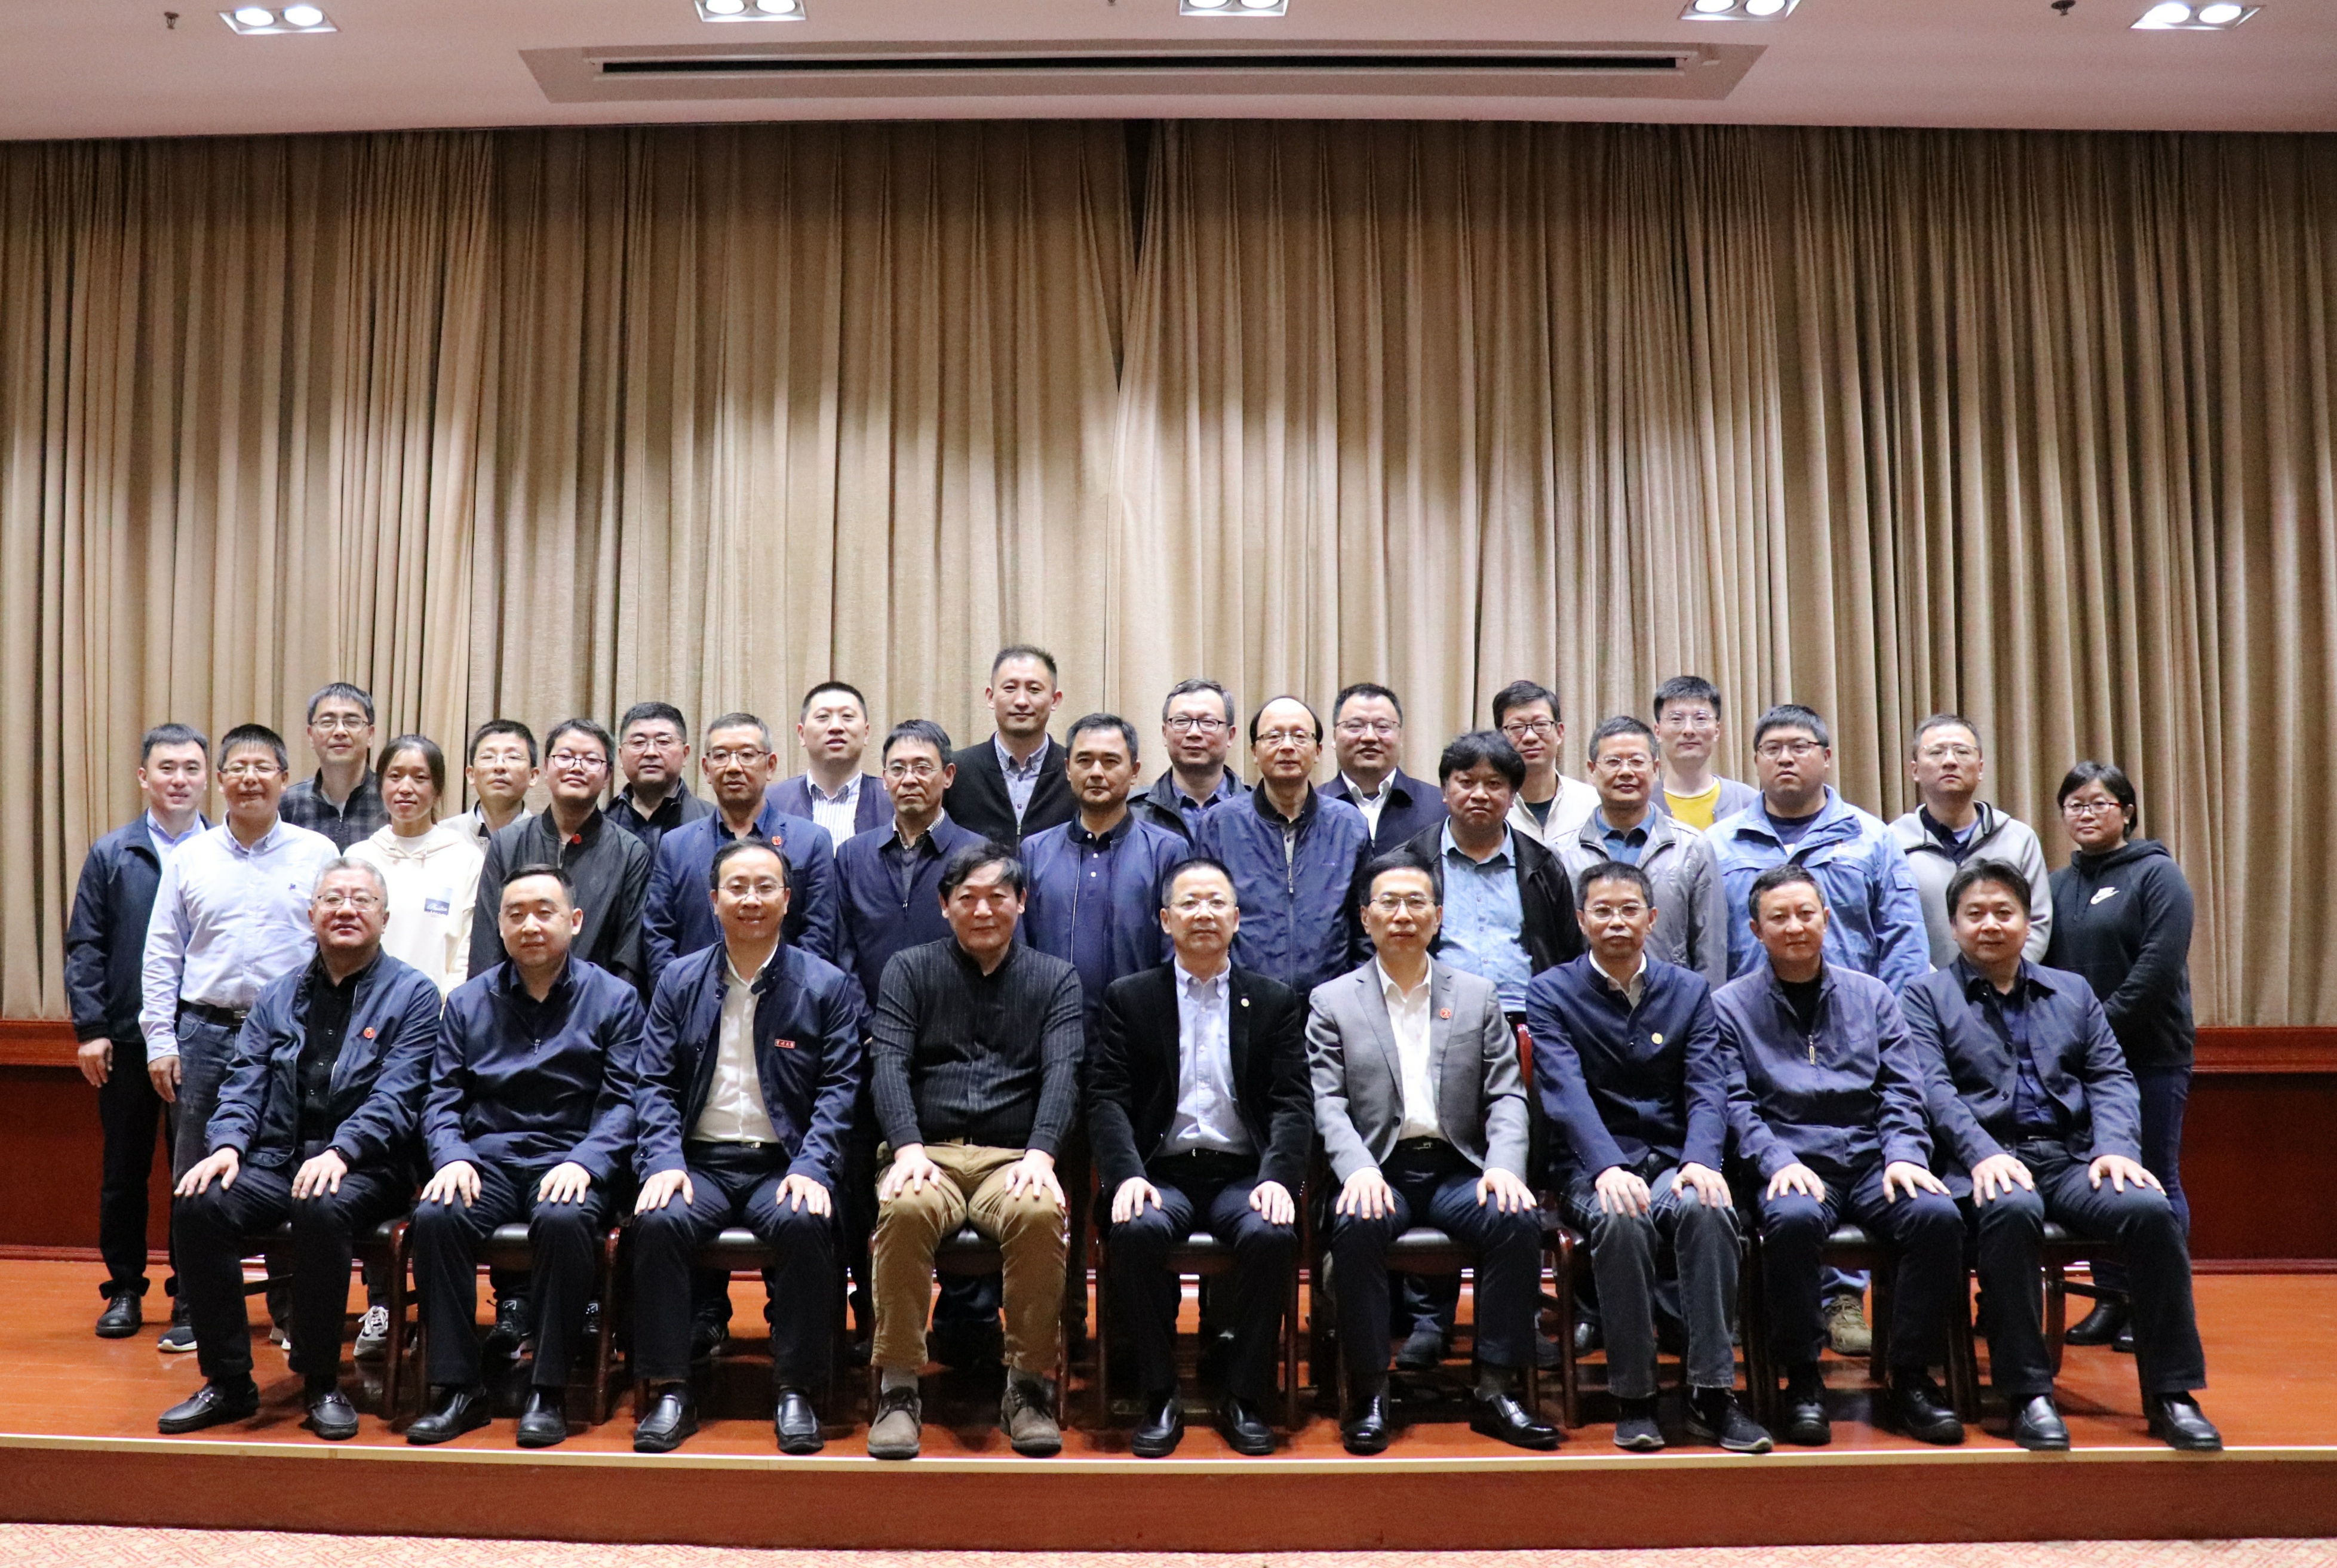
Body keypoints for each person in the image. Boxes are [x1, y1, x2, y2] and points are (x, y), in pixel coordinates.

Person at [1904, 861, 2219, 1452]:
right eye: (1975, 914)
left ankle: (2172, 1394)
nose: (1990, 925)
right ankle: (2028, 1394)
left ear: (2028, 923)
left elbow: (2109, 1076)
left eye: (2004, 912)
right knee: (2011, 1208)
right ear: (1953, 925)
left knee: (2150, 1211)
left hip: (2069, 1159)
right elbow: (1932, 1090)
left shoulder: (2072, 992)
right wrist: (1980, 1153)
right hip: (1981, 1163)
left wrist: (2115, 1148)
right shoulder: (1925, 996)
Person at [157, 859, 440, 1440]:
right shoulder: (277, 995)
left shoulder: (413, 994)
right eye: (332, 898)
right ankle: (229, 1380)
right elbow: (244, 1082)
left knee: (321, 1203)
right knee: (199, 1201)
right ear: (311, 914)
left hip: (368, 1166)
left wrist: (342, 1151)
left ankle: (320, 1380)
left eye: (361, 900)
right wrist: (227, 1145)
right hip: (277, 1160)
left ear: (385, 918)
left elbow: (399, 1096)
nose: (346, 909)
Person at [1307, 848, 1559, 1456]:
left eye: (1416, 902)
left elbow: (1505, 1093)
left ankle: (1495, 1389)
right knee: (1356, 1222)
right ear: (1365, 917)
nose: (1402, 915)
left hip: (1456, 1168)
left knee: (1515, 1219)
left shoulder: (1474, 995)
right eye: (1388, 903)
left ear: (1438, 916)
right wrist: (1357, 1170)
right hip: (1378, 1168)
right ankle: (1369, 1391)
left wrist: (1504, 1166)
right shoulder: (1333, 1001)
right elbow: (1327, 1102)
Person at [1712, 864, 1964, 1448]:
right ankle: (1802, 1379)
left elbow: (1902, 1088)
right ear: (1755, 929)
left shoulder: (1871, 995)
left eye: (1806, 914)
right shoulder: (1729, 1006)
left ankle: (1910, 1377)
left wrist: (1904, 1154)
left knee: (1936, 1216)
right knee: (1791, 1221)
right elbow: (1735, 1104)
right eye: (1778, 917)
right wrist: (1776, 1162)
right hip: (1790, 1160)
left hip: (1873, 1158)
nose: (1794, 926)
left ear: (1826, 919)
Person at [628, 840, 867, 1455]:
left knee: (807, 1221)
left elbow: (840, 1087)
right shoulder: (680, 980)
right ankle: (671, 1388)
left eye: (765, 887)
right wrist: (663, 1161)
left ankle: (797, 1389)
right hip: (699, 1162)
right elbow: (652, 1081)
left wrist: (814, 1166)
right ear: (714, 900)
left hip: (782, 1164)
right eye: (737, 887)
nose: (751, 899)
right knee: (656, 1220)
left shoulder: (825, 985)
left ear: (787, 899)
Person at [1525, 860, 1770, 1453]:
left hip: (1672, 1160)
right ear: (1581, 920)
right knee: (1621, 1217)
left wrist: (1701, 1160)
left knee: (1708, 1208)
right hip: (1590, 1166)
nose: (1616, 922)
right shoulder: (1551, 991)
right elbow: (1564, 1093)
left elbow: (1706, 1085)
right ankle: (1634, 1398)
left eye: (1629, 909)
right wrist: (1606, 1167)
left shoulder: (1687, 991)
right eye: (1602, 911)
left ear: (1652, 918)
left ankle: (1711, 1392)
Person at [1709, 703, 1928, 1358]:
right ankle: (1786, 1335)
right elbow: (1703, 944)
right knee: (1783, 1193)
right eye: (1772, 747)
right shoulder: (1718, 844)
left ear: (1826, 757)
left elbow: (1903, 941)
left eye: (1800, 745)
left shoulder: (1871, 838)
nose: (1785, 757)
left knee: (1913, 1202)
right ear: (1754, 761)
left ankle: (1848, 1305)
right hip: (1756, 1030)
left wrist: (1895, 1022)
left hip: (1852, 1027)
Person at [410, 863, 643, 1449]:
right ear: (500, 923)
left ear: (575, 920)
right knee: (437, 1215)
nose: (530, 925)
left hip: (570, 1158)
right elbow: (440, 1099)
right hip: (485, 1160)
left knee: (564, 1218)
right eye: (516, 914)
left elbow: (625, 1102)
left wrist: (586, 1161)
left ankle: (549, 1388)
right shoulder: (467, 1002)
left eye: (545, 912)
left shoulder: (615, 999)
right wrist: (452, 1156)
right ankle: (458, 1388)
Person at [864, 844, 1085, 1461]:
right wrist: (906, 1147)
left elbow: (1063, 1073)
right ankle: (899, 1389)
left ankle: (1027, 1387)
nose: (983, 910)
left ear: (1022, 902)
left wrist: (1041, 1155)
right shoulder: (909, 970)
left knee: (1039, 1213)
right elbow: (888, 1064)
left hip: (1012, 1159)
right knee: (905, 1209)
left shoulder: (1055, 979)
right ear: (944, 906)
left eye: (997, 896)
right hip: (926, 1153)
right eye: (967, 898)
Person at [1089, 857, 1309, 1458]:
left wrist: (1279, 1178)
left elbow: (1292, 1103)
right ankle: (1159, 1392)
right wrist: (1125, 1175)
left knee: (1271, 1233)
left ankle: (1244, 1394)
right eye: (1189, 903)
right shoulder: (1131, 998)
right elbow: (1107, 1099)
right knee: (1134, 1228)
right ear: (1165, 920)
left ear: (1236, 918)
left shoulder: (1273, 1000)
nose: (1203, 914)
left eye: (1217, 902)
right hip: (1161, 1172)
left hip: (1243, 1173)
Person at [140, 725, 340, 1353]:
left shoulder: (317, 852)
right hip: (205, 1031)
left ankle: (288, 1310)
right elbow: (162, 952)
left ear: (284, 779)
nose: (250, 778)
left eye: (263, 767)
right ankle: (194, 1311)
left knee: (286, 1165)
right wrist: (159, 1039)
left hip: (291, 1035)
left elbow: (336, 945)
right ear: (221, 781)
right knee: (195, 1174)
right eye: (238, 768)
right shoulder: (190, 857)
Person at [2046, 761, 2198, 1354]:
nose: (2086, 814)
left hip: (2150, 1053)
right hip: (2078, 1063)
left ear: (2127, 811)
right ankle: (2111, 1297)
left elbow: (2156, 969)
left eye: (2099, 803)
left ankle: (2155, 1306)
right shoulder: (2056, 885)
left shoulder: (2158, 875)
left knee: (2154, 1175)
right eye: (2075, 805)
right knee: (2098, 1177)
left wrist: (2094, 1032)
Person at [66, 724, 210, 1341]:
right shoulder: (112, 853)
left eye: (191, 768)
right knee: (124, 1171)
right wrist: (92, 1027)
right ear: (143, 777)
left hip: (200, 1038)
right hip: (125, 1040)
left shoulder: (222, 851)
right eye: (167, 768)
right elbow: (86, 945)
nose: (179, 780)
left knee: (194, 1172)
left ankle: (191, 1294)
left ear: (208, 779)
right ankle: (124, 1288)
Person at [643, 711, 840, 988]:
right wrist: (680, 996)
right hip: (693, 1003)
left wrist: (785, 996)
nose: (733, 767)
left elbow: (819, 935)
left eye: (747, 755)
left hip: (786, 1001)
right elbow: (658, 936)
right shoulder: (676, 845)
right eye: (721, 756)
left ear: (771, 766)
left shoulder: (811, 841)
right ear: (706, 769)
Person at [1193, 697, 1372, 1000]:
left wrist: (1354, 996)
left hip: (1332, 1003)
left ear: (1318, 751)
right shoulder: (1220, 824)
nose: (1287, 746)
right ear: (1254, 752)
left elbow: (1366, 925)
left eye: (1300, 736)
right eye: (1273, 736)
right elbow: (1206, 919)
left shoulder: (1349, 825)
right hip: (1245, 1001)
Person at [1018, 714, 1189, 1029]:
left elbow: (1176, 953)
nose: (1096, 772)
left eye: (1111, 761)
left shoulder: (1167, 851)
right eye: (1084, 761)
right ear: (1068, 769)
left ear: (1134, 771)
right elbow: (1022, 951)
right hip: (1052, 1032)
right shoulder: (1034, 852)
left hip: (1140, 1033)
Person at [468, 718, 652, 991]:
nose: (576, 767)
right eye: (565, 757)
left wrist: (610, 1009)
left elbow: (628, 957)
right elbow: (487, 943)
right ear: (546, 767)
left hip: (595, 1007)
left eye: (591, 760)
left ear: (608, 776)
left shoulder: (630, 852)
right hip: (511, 1004)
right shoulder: (508, 843)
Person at [1555, 717, 1728, 988]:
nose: (1626, 772)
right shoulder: (1562, 852)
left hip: (1671, 998)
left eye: (1637, 762)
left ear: (1656, 769)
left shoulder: (1692, 847)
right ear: (1592, 770)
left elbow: (1711, 945)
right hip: (1586, 1000)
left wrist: (1705, 1004)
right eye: (1613, 762)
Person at [1886, 715, 2052, 970]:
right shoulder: (1892, 842)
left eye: (1962, 752)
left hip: (2009, 986)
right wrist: (1935, 986)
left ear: (1981, 768)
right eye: (1936, 752)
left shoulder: (2018, 838)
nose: (1950, 761)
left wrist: (2006, 978)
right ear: (1915, 770)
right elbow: (1889, 925)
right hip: (1923, 988)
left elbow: (2037, 922)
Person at [349, 736, 484, 997]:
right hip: (368, 1006)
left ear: (438, 790)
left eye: (420, 778)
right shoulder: (359, 858)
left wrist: (450, 1008)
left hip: (438, 1009)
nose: (405, 788)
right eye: (395, 776)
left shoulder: (466, 859)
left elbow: (466, 951)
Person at [942, 645, 1072, 848]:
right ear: (990, 697)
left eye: (1034, 690)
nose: (1021, 701)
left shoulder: (1076, 772)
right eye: (1010, 688)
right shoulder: (955, 771)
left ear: (1055, 700)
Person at [1322, 684, 1446, 853]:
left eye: (1383, 727)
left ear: (1400, 737)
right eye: (1355, 726)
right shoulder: (1311, 809)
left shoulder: (1439, 806)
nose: (1370, 737)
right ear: (1334, 737)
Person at [769, 681, 889, 846]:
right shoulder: (771, 803)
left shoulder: (892, 800)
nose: (836, 727)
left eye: (848, 716)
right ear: (802, 735)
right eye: (823, 717)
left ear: (866, 733)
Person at [1131, 679, 1248, 839]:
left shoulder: (1260, 812)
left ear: (1231, 735)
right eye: (1182, 721)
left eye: (1208, 722)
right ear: (1165, 733)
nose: (1194, 733)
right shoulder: (1132, 814)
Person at [278, 684, 387, 850]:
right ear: (311, 735)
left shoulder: (391, 799)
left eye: (352, 722)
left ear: (370, 735)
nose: (340, 731)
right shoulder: (288, 804)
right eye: (327, 722)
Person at [1490, 681, 1598, 846]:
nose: (1530, 737)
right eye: (1517, 728)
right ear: (1499, 737)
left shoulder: (1593, 804)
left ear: (1559, 733)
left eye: (1541, 725)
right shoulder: (1489, 806)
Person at [1650, 677, 1758, 832]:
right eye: (1676, 719)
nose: (1689, 730)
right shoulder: (1642, 804)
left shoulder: (1747, 803)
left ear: (1717, 731)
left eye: (1700, 719)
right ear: (1658, 732)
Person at [606, 702, 711, 860]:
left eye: (663, 742)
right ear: (621, 756)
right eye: (638, 742)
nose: (651, 752)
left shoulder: (712, 823)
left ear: (685, 754)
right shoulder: (600, 826)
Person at [445, 721, 538, 847]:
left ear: (532, 776)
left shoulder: (547, 841)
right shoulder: (444, 836)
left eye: (513, 757)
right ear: (471, 775)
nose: (499, 766)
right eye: (488, 757)